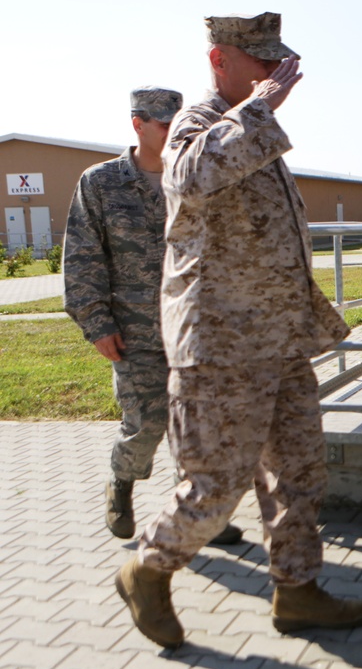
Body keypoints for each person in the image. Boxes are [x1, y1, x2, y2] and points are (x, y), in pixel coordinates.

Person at [114, 12, 362, 650]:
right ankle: (148, 567)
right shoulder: (198, 124)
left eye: (278, 61)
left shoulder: (249, 127)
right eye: (262, 60)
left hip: (279, 341)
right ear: (220, 60)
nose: (274, 72)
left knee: (300, 474)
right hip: (220, 347)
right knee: (215, 485)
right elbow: (188, 177)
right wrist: (259, 108)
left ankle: (297, 590)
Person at [63, 87, 243, 546]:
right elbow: (83, 258)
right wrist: (97, 324)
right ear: (138, 125)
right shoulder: (100, 183)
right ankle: (120, 482)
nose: (173, 132)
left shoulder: (196, 179)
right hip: (134, 331)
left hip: (195, 327)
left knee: (198, 427)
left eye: (178, 123)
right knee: (146, 424)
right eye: (164, 124)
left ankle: (197, 515)